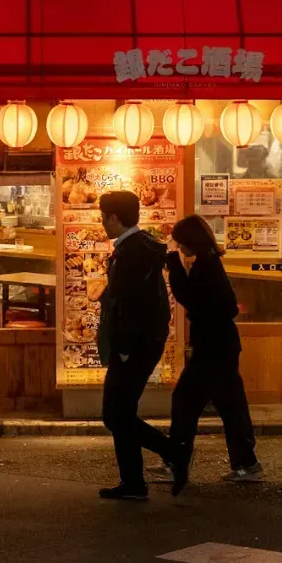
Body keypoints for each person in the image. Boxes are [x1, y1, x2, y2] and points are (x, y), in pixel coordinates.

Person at [163, 215, 261, 489]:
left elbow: (193, 298)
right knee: (202, 403)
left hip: (215, 347)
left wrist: (173, 266)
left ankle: (244, 464)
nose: (179, 247)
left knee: (211, 404)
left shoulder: (206, 266)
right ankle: (179, 460)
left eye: (181, 242)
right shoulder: (207, 262)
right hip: (217, 345)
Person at [93, 189, 176, 501]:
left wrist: (125, 347)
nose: (102, 223)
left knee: (116, 414)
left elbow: (131, 305)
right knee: (120, 412)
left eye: (103, 217)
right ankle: (133, 482)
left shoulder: (132, 252)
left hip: (134, 345)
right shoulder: (137, 247)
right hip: (142, 342)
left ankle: (172, 452)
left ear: (115, 218)